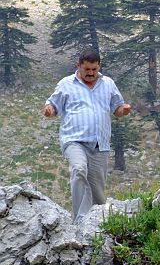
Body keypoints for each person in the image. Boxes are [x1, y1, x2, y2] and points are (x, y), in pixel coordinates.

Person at [43, 50, 131, 224]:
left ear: (99, 66)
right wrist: (49, 110)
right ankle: (79, 220)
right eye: (87, 69)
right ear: (79, 66)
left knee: (97, 189)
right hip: (74, 140)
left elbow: (117, 109)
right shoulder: (66, 84)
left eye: (94, 69)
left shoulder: (108, 84)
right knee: (79, 169)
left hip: (100, 143)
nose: (90, 73)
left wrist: (124, 110)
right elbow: (53, 104)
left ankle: (99, 223)